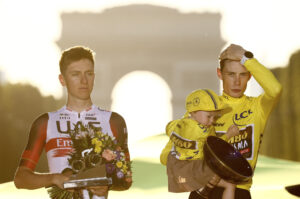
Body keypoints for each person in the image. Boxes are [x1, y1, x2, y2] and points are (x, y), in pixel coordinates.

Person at [14, 46, 132, 199]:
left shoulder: (114, 121)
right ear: (62, 79)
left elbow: (126, 178)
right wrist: (53, 178)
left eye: (88, 74)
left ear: (94, 77)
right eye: (75, 74)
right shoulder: (45, 122)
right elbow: (21, 178)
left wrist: (109, 184)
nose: (84, 81)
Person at [208, 44, 282, 199]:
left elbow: (275, 89)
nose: (237, 82)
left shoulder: (258, 107)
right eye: (231, 74)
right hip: (208, 188)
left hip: (240, 190)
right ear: (219, 74)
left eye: (242, 75)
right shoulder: (206, 107)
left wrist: (246, 58)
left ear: (250, 76)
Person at [160, 89, 240, 199]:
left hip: (179, 173)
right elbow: (213, 150)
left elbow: (169, 131)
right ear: (193, 112)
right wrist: (229, 135)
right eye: (209, 116)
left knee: (228, 185)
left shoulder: (179, 125)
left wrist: (167, 155)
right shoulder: (200, 131)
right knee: (225, 179)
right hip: (190, 172)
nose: (212, 121)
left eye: (215, 117)